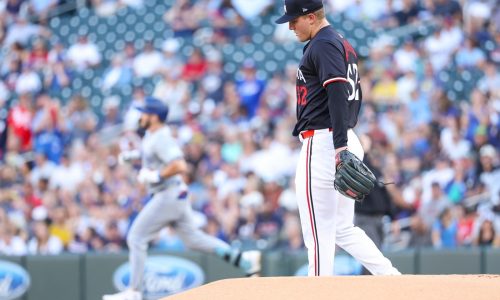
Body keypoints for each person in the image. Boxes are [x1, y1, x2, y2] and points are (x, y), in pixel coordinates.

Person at [275, 0, 400, 276]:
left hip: (324, 141)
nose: (291, 26)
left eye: (294, 20)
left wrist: (340, 145)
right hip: (339, 138)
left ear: (310, 17)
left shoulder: (323, 43)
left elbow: (337, 92)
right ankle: (392, 279)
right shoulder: (339, 42)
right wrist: (346, 141)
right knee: (343, 228)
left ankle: (319, 292)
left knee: (319, 234)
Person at [103, 97, 260, 300]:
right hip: (174, 194)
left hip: (168, 194)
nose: (140, 116)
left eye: (144, 113)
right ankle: (244, 261)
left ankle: (133, 291)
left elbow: (179, 165)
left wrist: (157, 175)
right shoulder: (152, 135)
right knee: (194, 239)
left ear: (154, 116)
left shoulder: (161, 136)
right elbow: (152, 154)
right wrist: (133, 156)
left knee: (136, 237)